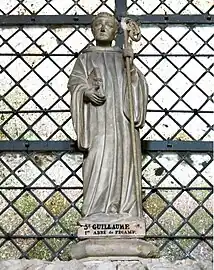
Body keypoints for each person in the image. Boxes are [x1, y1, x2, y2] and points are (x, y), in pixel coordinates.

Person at [68, 12, 148, 223]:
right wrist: (86, 91)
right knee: (97, 161)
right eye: (98, 25)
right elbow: (75, 83)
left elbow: (136, 87)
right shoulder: (85, 58)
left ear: (115, 32)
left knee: (122, 160)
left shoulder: (123, 56)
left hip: (121, 123)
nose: (103, 28)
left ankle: (124, 210)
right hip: (97, 122)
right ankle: (95, 211)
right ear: (93, 30)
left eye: (108, 25)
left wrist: (131, 69)